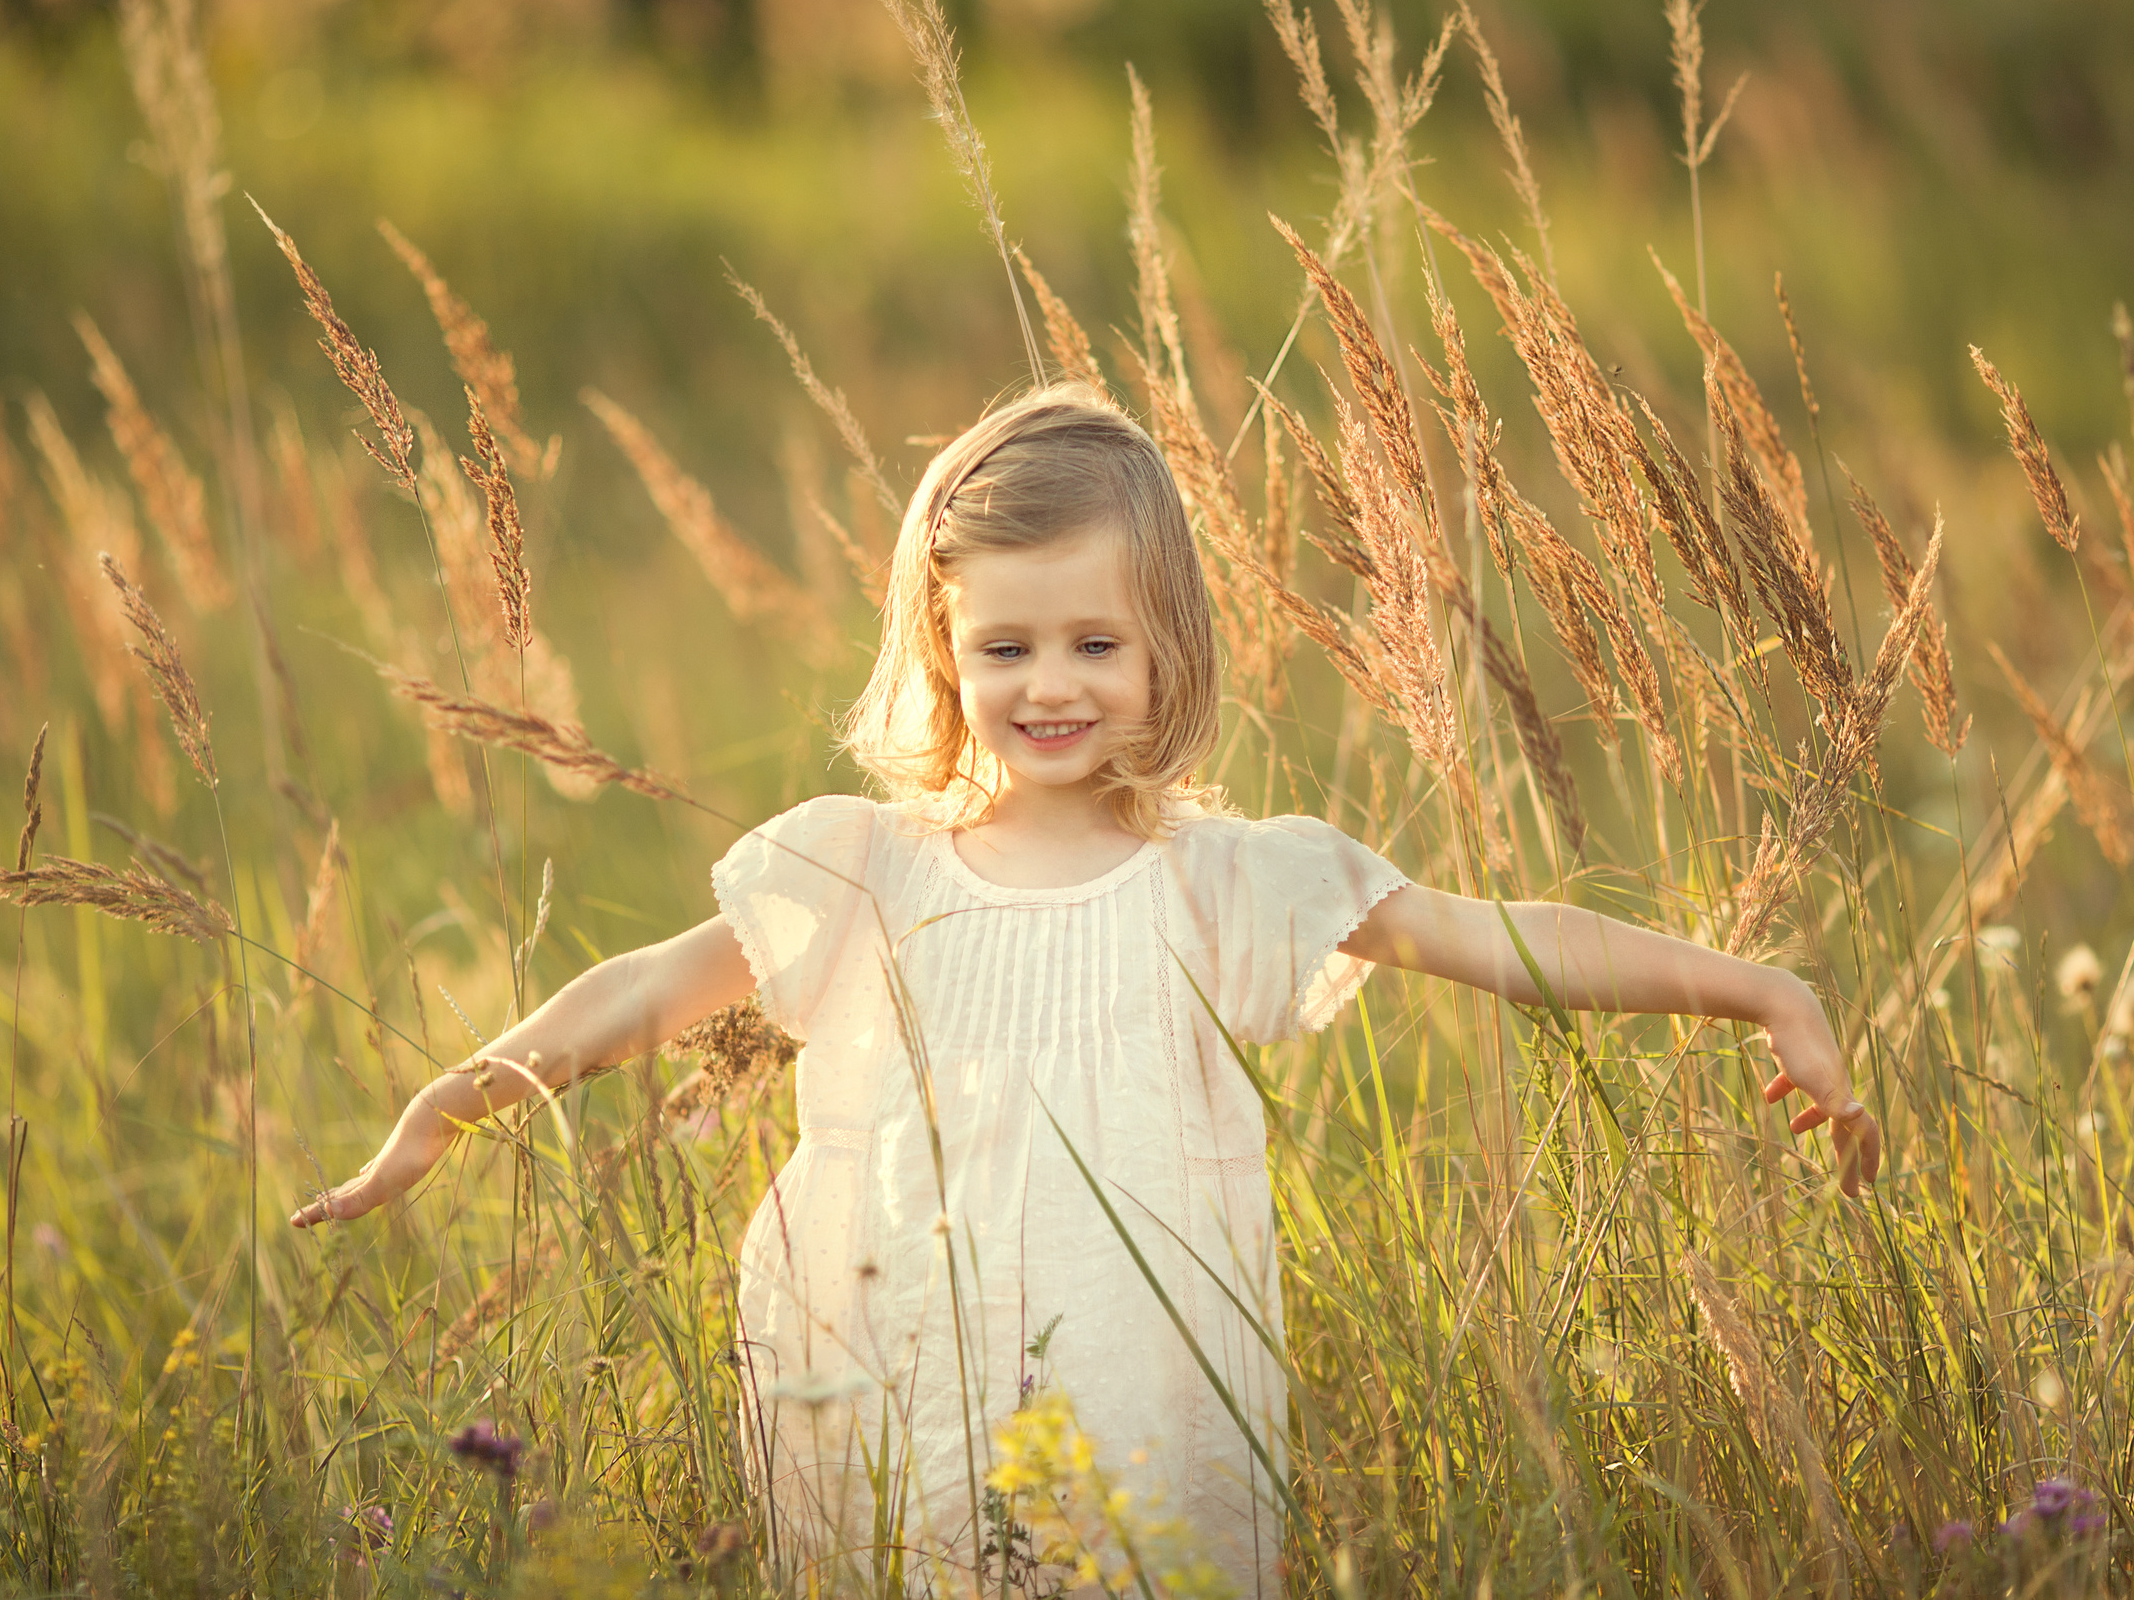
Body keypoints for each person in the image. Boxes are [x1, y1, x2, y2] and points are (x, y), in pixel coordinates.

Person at [290, 382, 1880, 1594]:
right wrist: (453, 1098)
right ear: (945, 652)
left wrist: (1757, 990)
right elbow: (644, 992)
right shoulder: (867, 868)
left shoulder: (1224, 880)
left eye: (1095, 644)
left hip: (1137, 1404)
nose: (1050, 685)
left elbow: (1505, 939)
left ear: (1167, 647)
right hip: (901, 1382)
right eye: (1007, 650)